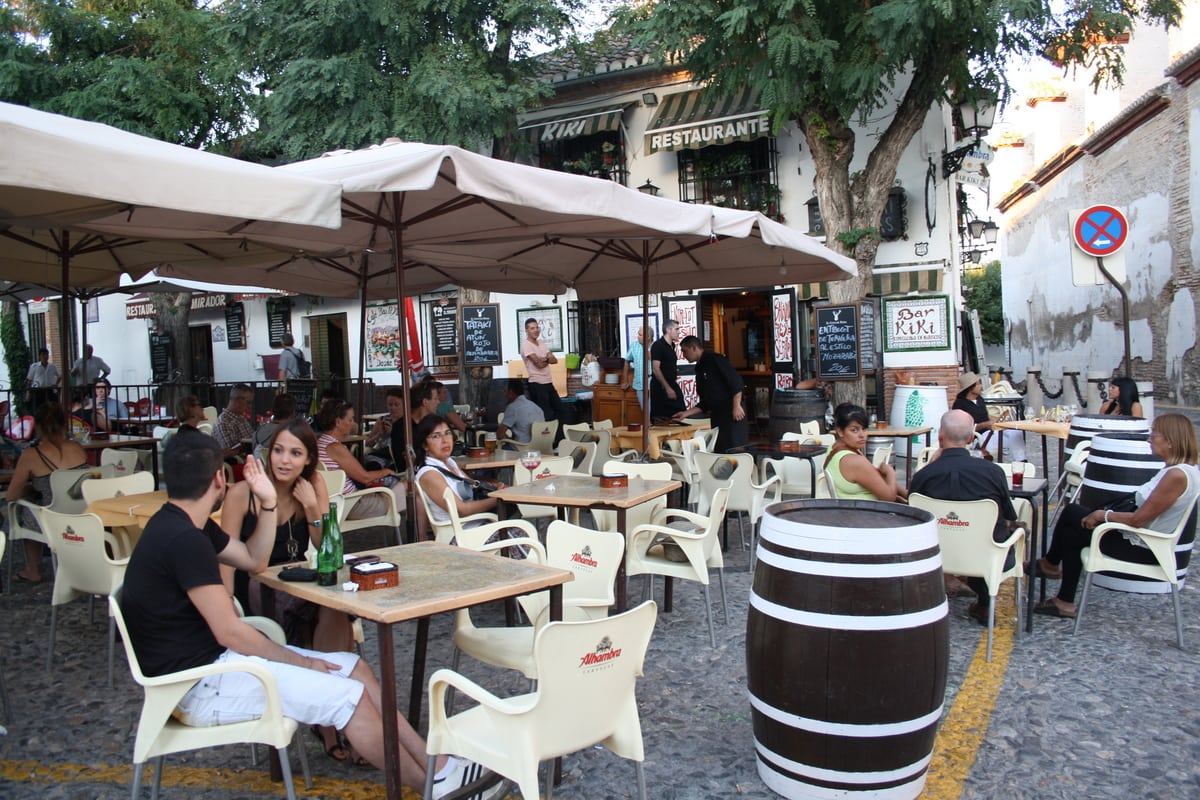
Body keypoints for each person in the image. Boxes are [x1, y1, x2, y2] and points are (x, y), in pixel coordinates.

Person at [118, 431, 495, 796]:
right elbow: (229, 632)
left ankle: (440, 766)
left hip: (215, 668)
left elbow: (253, 560)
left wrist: (267, 504)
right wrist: (299, 661)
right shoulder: (185, 541)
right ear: (219, 478)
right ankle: (432, 788)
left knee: (355, 668)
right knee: (346, 696)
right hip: (198, 686)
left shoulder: (182, 527)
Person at [219, 418, 357, 764]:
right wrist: (225, 609)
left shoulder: (313, 484)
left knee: (336, 607)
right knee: (323, 612)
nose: (284, 460)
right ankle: (333, 718)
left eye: (295, 453)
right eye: (278, 451)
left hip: (296, 580)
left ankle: (330, 714)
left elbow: (327, 549)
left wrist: (312, 507)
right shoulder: (242, 493)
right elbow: (225, 559)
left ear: (308, 459)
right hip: (255, 587)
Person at [1034, 413, 1200, 619]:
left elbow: (1139, 520)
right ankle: (1058, 587)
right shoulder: (1183, 470)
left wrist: (1104, 515)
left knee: (1073, 523)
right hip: (1143, 540)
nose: (1149, 439)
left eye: (1154, 435)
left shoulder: (1176, 476)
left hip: (1144, 548)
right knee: (1072, 517)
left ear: (1171, 441)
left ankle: (1053, 573)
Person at [909, 410, 1024, 624]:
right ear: (972, 438)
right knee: (1006, 530)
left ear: (940, 437)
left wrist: (932, 463)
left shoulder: (923, 476)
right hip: (986, 557)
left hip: (936, 555)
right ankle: (984, 602)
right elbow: (1008, 514)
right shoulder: (993, 472)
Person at [4, 402, 88, 583]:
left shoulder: (31, 455)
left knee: (25, 508)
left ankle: (32, 569)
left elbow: (11, 495)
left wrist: (31, 488)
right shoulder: (78, 449)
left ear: (38, 426)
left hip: (50, 519)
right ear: (65, 423)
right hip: (81, 513)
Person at [415, 415, 505, 536]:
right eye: (436, 436)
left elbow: (472, 485)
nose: (445, 440)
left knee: (522, 529)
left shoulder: (449, 462)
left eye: (447, 433)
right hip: (461, 535)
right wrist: (498, 499)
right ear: (424, 445)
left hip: (478, 526)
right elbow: (461, 509)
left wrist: (495, 486)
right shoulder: (429, 474)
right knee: (522, 534)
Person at [315, 400, 404, 522]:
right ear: (338, 422)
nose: (353, 424)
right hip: (352, 505)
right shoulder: (335, 448)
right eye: (350, 420)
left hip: (336, 502)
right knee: (410, 489)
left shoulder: (320, 442)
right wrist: (386, 472)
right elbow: (364, 477)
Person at [672, 336, 748, 453]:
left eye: (684, 351)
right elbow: (706, 403)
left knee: (735, 449)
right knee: (720, 451)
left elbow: (736, 382)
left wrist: (737, 406)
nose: (683, 355)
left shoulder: (715, 359)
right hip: (717, 416)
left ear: (694, 348)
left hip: (732, 412)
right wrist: (685, 414)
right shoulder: (699, 369)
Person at [823, 403, 906, 502]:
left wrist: (905, 494)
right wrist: (890, 472)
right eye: (854, 430)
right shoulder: (855, 461)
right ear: (840, 432)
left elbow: (874, 476)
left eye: (864, 429)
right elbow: (889, 498)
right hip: (866, 513)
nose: (862, 435)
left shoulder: (833, 448)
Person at [953, 371, 1025, 462]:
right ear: (970, 388)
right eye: (978, 384)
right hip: (977, 438)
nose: (981, 386)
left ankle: (1021, 461)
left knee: (1015, 433)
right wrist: (985, 425)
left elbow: (984, 416)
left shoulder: (980, 399)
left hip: (990, 433)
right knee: (1013, 435)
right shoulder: (960, 404)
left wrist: (998, 420)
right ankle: (1020, 461)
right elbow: (961, 429)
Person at [520, 317, 563, 423]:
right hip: (537, 384)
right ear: (527, 331)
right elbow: (539, 364)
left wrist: (545, 359)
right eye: (532, 328)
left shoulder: (542, 343)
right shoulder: (526, 345)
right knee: (546, 413)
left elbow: (555, 360)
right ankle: (547, 438)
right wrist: (547, 358)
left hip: (548, 382)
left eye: (537, 327)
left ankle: (558, 436)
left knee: (560, 409)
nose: (536, 330)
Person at [650, 320, 686, 420]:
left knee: (681, 412)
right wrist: (667, 388)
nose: (679, 332)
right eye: (676, 329)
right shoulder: (658, 345)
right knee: (661, 417)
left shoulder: (672, 346)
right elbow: (655, 368)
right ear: (668, 330)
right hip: (660, 386)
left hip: (671, 383)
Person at [363, 387, 406, 471]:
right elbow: (368, 444)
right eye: (390, 405)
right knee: (372, 465)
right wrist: (379, 434)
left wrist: (394, 432)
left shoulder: (407, 421)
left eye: (396, 405)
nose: (393, 408)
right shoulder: (382, 420)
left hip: (399, 456)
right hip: (382, 455)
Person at [496, 379, 544, 447]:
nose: (505, 395)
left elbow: (499, 435)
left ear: (511, 391)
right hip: (540, 448)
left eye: (505, 391)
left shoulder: (513, 407)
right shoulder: (537, 407)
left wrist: (510, 441)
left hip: (521, 449)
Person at [213, 383, 255, 459]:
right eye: (248, 402)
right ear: (239, 400)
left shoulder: (240, 418)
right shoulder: (224, 423)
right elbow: (230, 452)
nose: (250, 406)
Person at [621, 325, 652, 411]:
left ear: (648, 337)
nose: (637, 336)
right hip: (640, 384)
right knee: (646, 412)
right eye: (638, 334)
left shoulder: (655, 346)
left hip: (654, 385)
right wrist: (625, 380)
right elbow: (627, 361)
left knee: (654, 412)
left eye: (640, 335)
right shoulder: (634, 346)